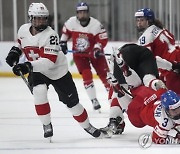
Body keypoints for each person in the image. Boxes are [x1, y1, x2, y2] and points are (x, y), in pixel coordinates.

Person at [5, 2, 109, 140]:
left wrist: (26, 66)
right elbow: (20, 42)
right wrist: (15, 52)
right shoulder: (23, 30)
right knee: (39, 92)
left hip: (57, 72)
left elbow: (48, 62)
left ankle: (87, 126)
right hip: (37, 71)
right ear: (31, 18)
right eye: (38, 18)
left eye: (44, 18)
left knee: (73, 105)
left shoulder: (51, 35)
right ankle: (46, 124)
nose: (41, 21)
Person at [101, 43, 167, 135]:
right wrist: (172, 66)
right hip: (145, 54)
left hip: (125, 53)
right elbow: (158, 61)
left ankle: (115, 121)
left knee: (121, 90)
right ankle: (153, 82)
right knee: (147, 80)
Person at [59, 2, 110, 111]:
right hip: (79, 55)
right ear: (77, 13)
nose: (82, 14)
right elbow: (65, 33)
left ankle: (114, 99)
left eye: (84, 12)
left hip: (94, 54)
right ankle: (94, 100)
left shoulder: (96, 25)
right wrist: (63, 42)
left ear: (88, 13)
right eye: (80, 12)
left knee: (105, 76)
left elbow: (102, 39)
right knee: (86, 75)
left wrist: (97, 48)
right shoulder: (71, 22)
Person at [134, 8, 180, 94]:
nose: (139, 23)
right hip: (175, 60)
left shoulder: (146, 36)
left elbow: (146, 59)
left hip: (172, 68)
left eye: (142, 20)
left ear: (149, 20)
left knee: (174, 101)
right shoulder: (161, 29)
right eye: (138, 20)